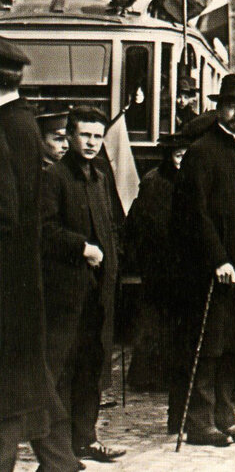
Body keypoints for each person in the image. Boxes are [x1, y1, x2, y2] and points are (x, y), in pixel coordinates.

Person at [170, 74, 235, 447]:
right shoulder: (203, 151)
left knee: (233, 346)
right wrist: (217, 259)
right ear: (218, 108)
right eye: (232, 106)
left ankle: (224, 417)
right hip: (214, 271)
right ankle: (199, 422)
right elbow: (194, 214)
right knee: (209, 347)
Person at [0, 37, 78, 472]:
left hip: (6, 281)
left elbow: (4, 214)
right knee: (28, 382)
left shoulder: (2, 127)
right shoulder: (25, 123)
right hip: (22, 278)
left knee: (11, 392)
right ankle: (60, 462)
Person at [40, 106, 125, 463]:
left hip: (98, 292)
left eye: (97, 136)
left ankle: (85, 439)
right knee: (62, 370)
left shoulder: (100, 177)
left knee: (93, 366)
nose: (91, 143)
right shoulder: (54, 177)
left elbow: (109, 227)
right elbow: (44, 230)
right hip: (66, 292)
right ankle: (59, 451)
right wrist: (82, 248)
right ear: (70, 136)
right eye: (84, 135)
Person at [124, 134, 189, 399]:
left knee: (169, 319)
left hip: (174, 261)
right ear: (168, 156)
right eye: (178, 156)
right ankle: (146, 375)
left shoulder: (182, 180)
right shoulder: (155, 181)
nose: (182, 161)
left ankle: (160, 373)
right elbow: (151, 224)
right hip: (158, 260)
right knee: (155, 318)